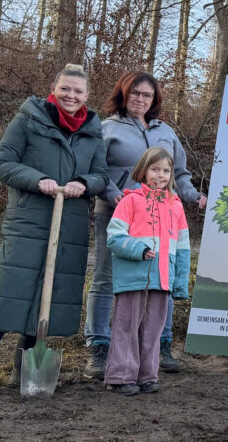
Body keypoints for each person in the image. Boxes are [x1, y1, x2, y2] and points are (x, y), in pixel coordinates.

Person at [0, 64, 107, 401]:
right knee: (6, 295)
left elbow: (102, 175)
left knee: (46, 300)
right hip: (28, 222)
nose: (71, 96)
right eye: (65, 89)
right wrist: (37, 180)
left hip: (68, 226)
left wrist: (84, 183)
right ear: (54, 89)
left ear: (87, 96)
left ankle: (21, 371)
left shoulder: (94, 133)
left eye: (78, 92)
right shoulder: (28, 119)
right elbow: (2, 162)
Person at [83, 71, 206, 381]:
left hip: (162, 215)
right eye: (135, 92)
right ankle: (99, 344)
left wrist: (193, 196)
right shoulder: (107, 128)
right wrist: (114, 194)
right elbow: (96, 169)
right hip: (117, 211)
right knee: (107, 276)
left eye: (147, 95)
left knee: (161, 277)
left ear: (155, 100)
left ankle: (160, 344)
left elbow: (179, 173)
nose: (140, 98)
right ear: (124, 94)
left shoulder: (166, 132)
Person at [104, 147, 191, 395]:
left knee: (154, 328)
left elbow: (183, 248)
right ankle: (121, 376)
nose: (160, 175)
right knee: (127, 326)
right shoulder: (130, 200)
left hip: (162, 278)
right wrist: (138, 249)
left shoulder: (176, 206)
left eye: (166, 170)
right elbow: (114, 236)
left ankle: (148, 376)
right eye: (155, 169)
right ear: (143, 171)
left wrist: (179, 282)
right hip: (132, 278)